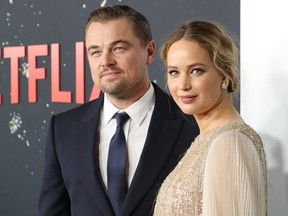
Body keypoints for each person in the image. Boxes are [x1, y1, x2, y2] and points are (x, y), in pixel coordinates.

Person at [38, 5, 199, 216]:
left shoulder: (191, 125)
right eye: (95, 51)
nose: (106, 61)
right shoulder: (63, 129)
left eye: (119, 48)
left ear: (149, 52)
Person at [153, 20, 267, 215]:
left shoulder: (230, 143)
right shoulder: (209, 139)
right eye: (174, 72)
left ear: (224, 74)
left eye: (196, 71)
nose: (183, 84)